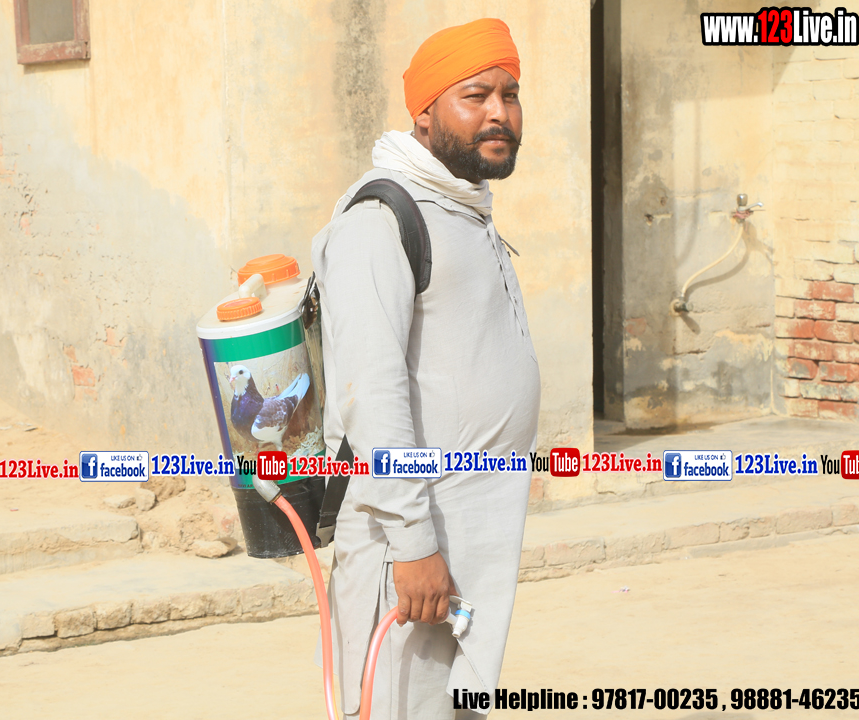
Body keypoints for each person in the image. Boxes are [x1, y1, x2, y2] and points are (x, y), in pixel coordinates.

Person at [310, 17, 541, 720]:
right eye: (475, 95)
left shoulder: (462, 206)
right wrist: (413, 547)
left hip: (468, 537)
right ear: (424, 113)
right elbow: (371, 395)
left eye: (509, 94)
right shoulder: (380, 219)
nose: (499, 113)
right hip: (406, 550)